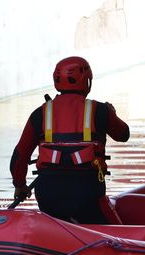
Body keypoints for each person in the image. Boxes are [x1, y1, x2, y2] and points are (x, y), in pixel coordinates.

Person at [9, 56, 130, 224]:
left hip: (48, 194)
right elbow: (124, 135)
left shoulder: (40, 113)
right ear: (86, 80)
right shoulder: (101, 111)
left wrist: (20, 185)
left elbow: (18, 157)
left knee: (55, 224)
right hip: (87, 192)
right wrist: (112, 114)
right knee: (115, 232)